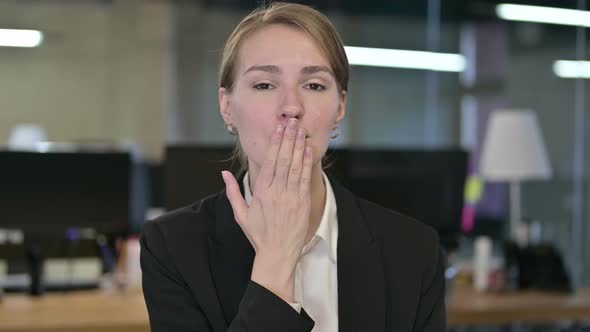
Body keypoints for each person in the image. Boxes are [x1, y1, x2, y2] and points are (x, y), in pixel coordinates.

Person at [140, 2, 446, 331]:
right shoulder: (172, 246)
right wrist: (276, 264)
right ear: (227, 106)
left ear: (340, 106)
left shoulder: (414, 251)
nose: (291, 107)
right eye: (264, 85)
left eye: (314, 85)